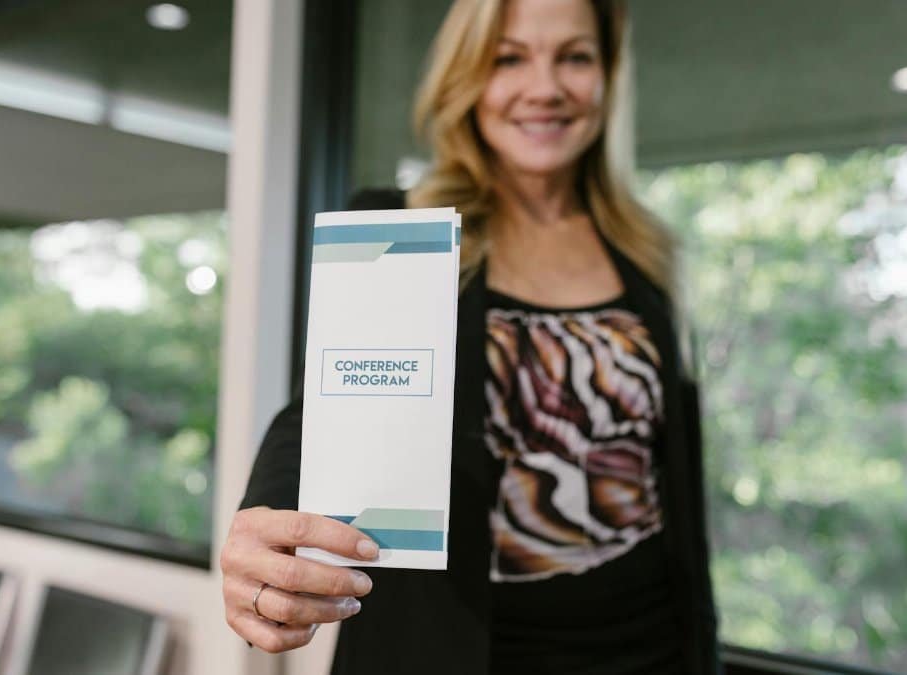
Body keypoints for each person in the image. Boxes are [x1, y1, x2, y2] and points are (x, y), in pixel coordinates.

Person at [220, 0, 720, 672]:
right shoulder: (401, 229)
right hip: (457, 651)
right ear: (468, 77)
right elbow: (320, 412)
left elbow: (676, 486)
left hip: (647, 651)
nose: (545, 87)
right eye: (509, 58)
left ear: (607, 76)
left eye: (575, 56)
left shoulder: (646, 253)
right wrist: (267, 519)